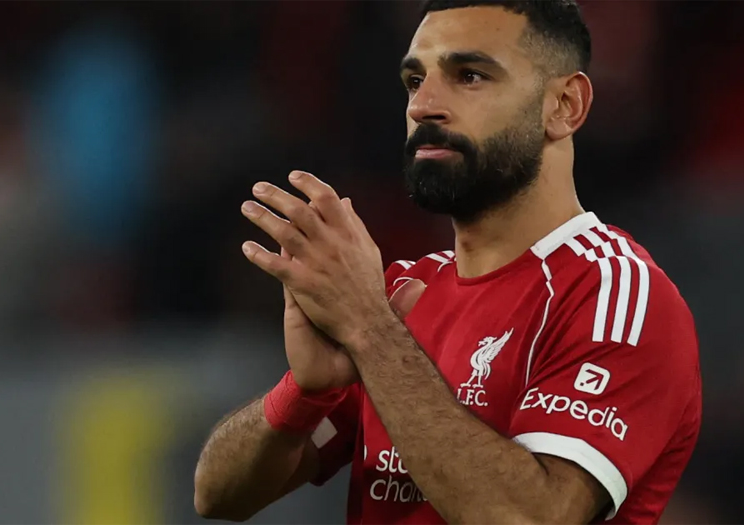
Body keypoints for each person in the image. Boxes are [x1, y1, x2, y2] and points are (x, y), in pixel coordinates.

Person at [193, 1, 701, 523]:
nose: (423, 106)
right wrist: (304, 392)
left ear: (564, 105)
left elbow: (531, 517)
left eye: (470, 75)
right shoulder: (402, 295)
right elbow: (217, 497)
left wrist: (370, 331)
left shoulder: (615, 296)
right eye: (415, 81)